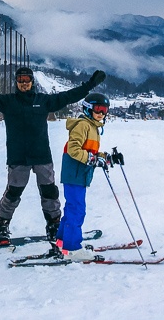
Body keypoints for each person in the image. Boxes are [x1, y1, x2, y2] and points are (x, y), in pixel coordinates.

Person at [0, 65, 106, 246]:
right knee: (13, 193)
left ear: (32, 82)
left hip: (42, 155)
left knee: (49, 192)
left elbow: (68, 96)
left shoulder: (43, 100)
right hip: (18, 157)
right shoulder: (8, 101)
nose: (24, 83)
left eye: (27, 80)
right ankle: (1, 223)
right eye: (20, 80)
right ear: (16, 82)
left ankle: (54, 223)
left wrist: (89, 85)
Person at [55, 92, 123, 260]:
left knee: (72, 208)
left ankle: (62, 242)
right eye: (98, 109)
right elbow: (74, 149)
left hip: (79, 174)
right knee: (77, 210)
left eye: (104, 110)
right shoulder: (83, 125)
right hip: (74, 174)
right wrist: (92, 159)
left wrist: (106, 158)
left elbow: (89, 151)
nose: (101, 113)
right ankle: (72, 249)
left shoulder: (93, 127)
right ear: (88, 108)